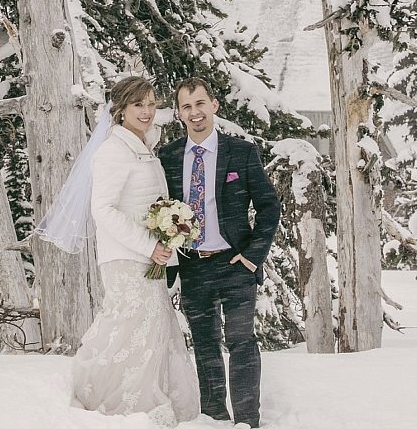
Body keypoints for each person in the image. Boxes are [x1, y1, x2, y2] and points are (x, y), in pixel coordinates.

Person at [71, 76, 199, 427]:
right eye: (138, 105)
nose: (146, 111)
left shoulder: (142, 145)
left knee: (151, 328)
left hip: (148, 259)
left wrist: (168, 233)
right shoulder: (113, 150)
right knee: (127, 327)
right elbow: (104, 210)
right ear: (121, 109)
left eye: (151, 103)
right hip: (127, 258)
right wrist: (150, 244)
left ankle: (156, 403)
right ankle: (112, 401)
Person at [159, 77, 281, 429]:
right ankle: (214, 419)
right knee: (205, 344)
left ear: (214, 105)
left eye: (200, 104)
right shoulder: (168, 157)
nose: (195, 112)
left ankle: (248, 421)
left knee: (242, 341)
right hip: (193, 266)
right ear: (179, 114)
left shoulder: (240, 152)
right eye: (186, 107)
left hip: (234, 262)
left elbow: (269, 206)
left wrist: (252, 256)